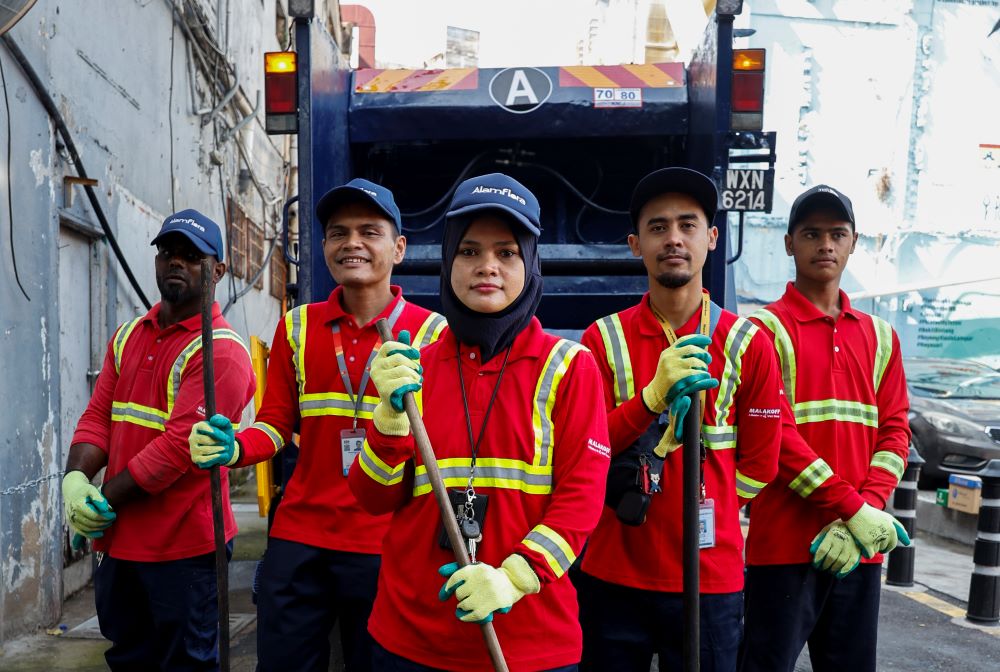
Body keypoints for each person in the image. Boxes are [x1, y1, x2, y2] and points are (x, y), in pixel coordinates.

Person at [348, 173, 610, 671]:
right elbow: (372, 497)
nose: (486, 267)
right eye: (468, 251)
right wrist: (387, 420)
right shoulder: (411, 367)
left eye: (507, 253)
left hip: (529, 643)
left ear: (530, 264)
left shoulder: (569, 367)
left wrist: (514, 577)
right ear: (448, 263)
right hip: (408, 639)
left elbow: (580, 503)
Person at [187, 178, 446, 672]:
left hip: (387, 544)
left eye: (369, 231)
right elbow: (275, 425)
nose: (352, 242)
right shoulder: (298, 325)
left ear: (399, 247)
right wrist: (234, 446)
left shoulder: (433, 334)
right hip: (301, 540)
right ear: (324, 247)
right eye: (337, 232)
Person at [576, 167, 782, 672]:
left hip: (710, 580)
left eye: (688, 225)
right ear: (634, 244)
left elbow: (760, 464)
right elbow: (585, 454)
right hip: (613, 573)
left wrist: (711, 502)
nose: (673, 239)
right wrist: (649, 399)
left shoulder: (747, 342)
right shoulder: (601, 340)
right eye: (658, 227)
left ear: (711, 238)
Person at [62, 209, 255, 671]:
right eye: (168, 252)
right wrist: (74, 480)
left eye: (192, 256)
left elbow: (174, 451)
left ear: (219, 271)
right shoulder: (129, 335)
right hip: (122, 544)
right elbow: (98, 418)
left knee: (185, 663)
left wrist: (100, 500)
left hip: (185, 550)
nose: (175, 262)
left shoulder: (223, 353)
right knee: (127, 656)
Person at [739, 185, 911, 672]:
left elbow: (895, 433)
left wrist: (866, 513)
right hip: (783, 549)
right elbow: (775, 437)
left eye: (838, 234)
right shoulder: (762, 331)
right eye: (812, 234)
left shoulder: (880, 336)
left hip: (861, 547)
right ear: (790, 243)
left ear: (854, 242)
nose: (826, 245)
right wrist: (853, 509)